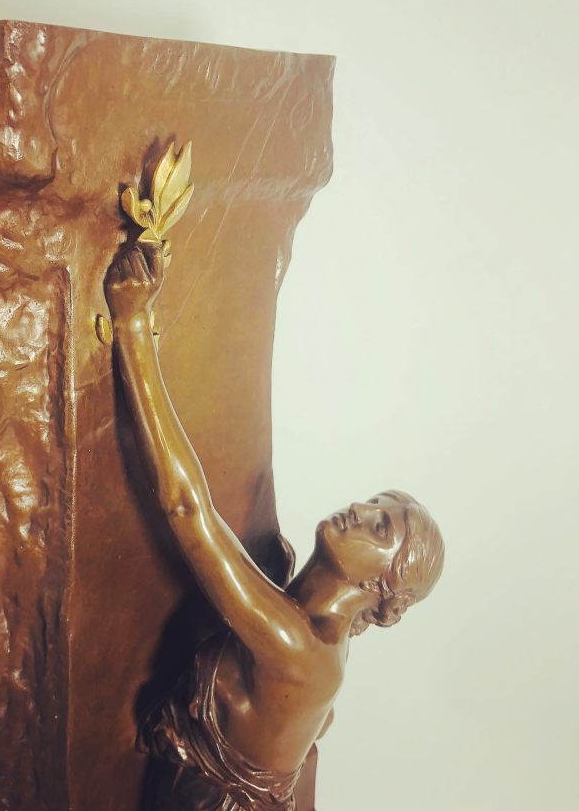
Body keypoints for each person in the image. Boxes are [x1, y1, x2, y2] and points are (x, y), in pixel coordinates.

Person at [105, 242, 445, 811]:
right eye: (373, 503)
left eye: (380, 528)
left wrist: (132, 323)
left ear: (383, 588)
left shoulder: (298, 648)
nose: (359, 511)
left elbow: (187, 510)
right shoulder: (311, 630)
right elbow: (311, 745)